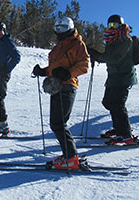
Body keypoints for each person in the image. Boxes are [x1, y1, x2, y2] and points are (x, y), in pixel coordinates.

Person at [32, 16, 89, 170]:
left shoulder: (78, 44)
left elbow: (84, 65)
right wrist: (42, 71)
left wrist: (68, 73)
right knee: (55, 123)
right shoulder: (57, 47)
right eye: (57, 28)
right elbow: (54, 69)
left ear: (70, 28)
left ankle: (71, 158)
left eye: (63, 28)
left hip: (68, 86)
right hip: (56, 87)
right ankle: (69, 156)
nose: (59, 31)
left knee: (59, 123)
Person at [87, 14, 138, 145]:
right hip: (113, 77)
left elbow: (114, 58)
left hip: (123, 76)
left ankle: (126, 135)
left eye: (115, 25)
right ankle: (118, 128)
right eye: (110, 25)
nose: (112, 28)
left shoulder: (125, 40)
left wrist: (96, 55)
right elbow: (109, 56)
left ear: (121, 25)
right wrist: (96, 54)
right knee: (108, 102)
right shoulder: (112, 40)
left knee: (118, 104)